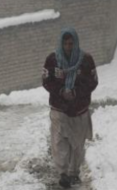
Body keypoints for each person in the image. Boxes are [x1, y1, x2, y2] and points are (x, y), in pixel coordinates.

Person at [42, 28, 98, 188]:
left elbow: (92, 82)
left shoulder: (86, 60)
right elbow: (46, 81)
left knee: (77, 143)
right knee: (59, 142)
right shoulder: (52, 60)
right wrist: (61, 91)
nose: (68, 47)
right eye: (65, 43)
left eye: (71, 43)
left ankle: (74, 172)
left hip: (79, 109)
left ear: (76, 43)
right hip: (59, 109)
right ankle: (63, 173)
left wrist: (76, 92)